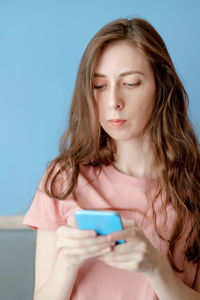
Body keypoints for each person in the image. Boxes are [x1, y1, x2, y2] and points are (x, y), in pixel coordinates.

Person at [23, 17, 200, 300]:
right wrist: (68, 262)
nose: (113, 101)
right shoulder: (63, 180)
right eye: (99, 86)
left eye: (130, 83)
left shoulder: (193, 185)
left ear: (161, 86)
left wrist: (156, 269)